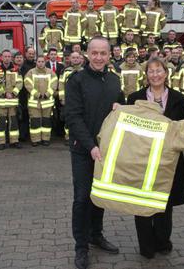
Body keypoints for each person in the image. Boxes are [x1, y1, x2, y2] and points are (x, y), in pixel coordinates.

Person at [65, 36, 125, 269]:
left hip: (106, 149)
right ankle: (81, 247)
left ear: (109, 55)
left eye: (103, 53)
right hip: (83, 149)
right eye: (95, 53)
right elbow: (73, 117)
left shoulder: (114, 80)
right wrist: (91, 146)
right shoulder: (75, 80)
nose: (99, 57)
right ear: (87, 53)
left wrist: (121, 107)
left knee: (99, 195)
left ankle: (96, 235)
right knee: (82, 198)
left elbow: (120, 109)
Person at [126, 57, 184, 259]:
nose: (155, 74)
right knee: (141, 203)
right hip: (142, 159)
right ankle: (146, 245)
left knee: (164, 204)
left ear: (166, 73)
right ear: (146, 75)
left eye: (159, 70)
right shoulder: (135, 98)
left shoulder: (179, 98)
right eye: (151, 71)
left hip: (169, 161)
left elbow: (182, 129)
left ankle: (162, 241)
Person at [0, 50, 23, 150]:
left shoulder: (16, 69)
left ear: (11, 58)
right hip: (0, 102)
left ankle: (14, 141)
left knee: (14, 123)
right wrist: (3, 93)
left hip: (12, 102)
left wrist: (13, 93)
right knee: (1, 123)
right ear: (1, 58)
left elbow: (20, 83)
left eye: (9, 56)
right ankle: (0, 142)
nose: (7, 58)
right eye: (5, 56)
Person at [24, 55, 57, 146]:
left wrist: (48, 94)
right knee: (35, 122)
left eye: (42, 61)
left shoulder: (51, 72)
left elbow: (54, 84)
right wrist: (37, 94)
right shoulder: (30, 72)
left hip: (47, 102)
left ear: (45, 62)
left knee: (46, 122)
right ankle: (35, 140)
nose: (41, 63)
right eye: (39, 61)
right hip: (34, 102)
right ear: (36, 62)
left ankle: (46, 139)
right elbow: (28, 84)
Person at [58, 51, 84, 141]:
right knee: (69, 119)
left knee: (81, 119)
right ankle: (68, 136)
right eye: (73, 58)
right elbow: (61, 85)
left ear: (80, 59)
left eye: (77, 57)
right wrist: (62, 98)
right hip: (69, 100)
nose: (75, 59)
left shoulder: (85, 71)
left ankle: (80, 137)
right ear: (70, 59)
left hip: (81, 100)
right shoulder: (65, 71)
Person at [18, 47, 37, 142]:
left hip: (34, 95)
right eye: (29, 53)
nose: (31, 55)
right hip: (23, 94)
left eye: (33, 53)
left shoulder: (36, 65)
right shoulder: (22, 66)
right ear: (25, 54)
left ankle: (33, 135)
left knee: (34, 115)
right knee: (24, 115)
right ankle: (23, 135)